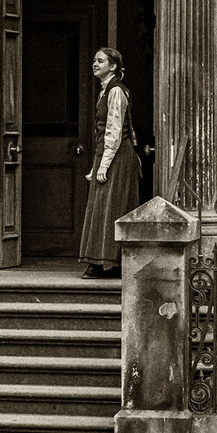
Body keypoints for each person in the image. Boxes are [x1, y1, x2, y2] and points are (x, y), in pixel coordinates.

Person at [79, 47, 141, 279]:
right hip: (108, 155)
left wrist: (103, 166)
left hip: (118, 156)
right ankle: (103, 262)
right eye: (94, 60)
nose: (95, 64)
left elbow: (114, 131)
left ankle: (107, 262)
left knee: (112, 206)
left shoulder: (116, 92)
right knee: (101, 207)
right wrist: (96, 166)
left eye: (100, 61)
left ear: (113, 66)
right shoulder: (106, 90)